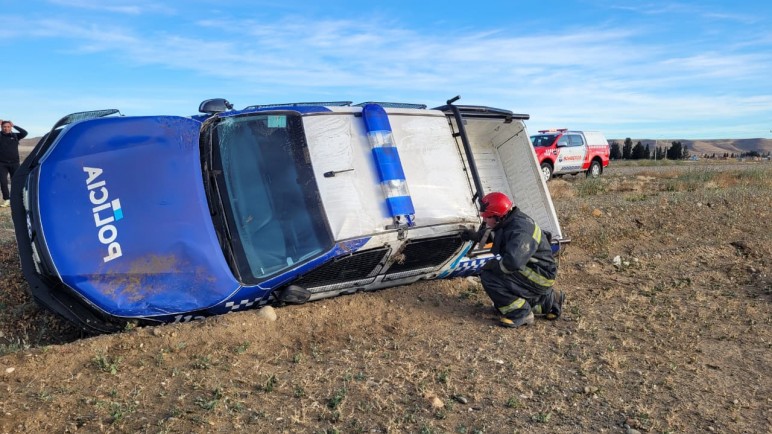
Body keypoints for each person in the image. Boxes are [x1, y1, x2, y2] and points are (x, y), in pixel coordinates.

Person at [462, 192, 564, 328]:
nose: (485, 221)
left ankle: (521, 313)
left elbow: (512, 263)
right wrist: (475, 236)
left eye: (487, 217)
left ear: (498, 217)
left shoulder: (521, 231)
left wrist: (493, 267)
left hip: (539, 275)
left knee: (489, 276)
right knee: (500, 278)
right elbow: (495, 234)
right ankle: (550, 301)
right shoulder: (510, 221)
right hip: (536, 270)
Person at [0, 120, 27, 207]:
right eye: (4, 127)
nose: (6, 128)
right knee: (3, 182)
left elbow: (25, 132)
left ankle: (16, 199)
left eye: (8, 127)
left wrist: (14, 125)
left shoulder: (15, 135)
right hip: (2, 163)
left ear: (10, 127)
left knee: (16, 181)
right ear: (1, 127)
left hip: (15, 163)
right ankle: (7, 199)